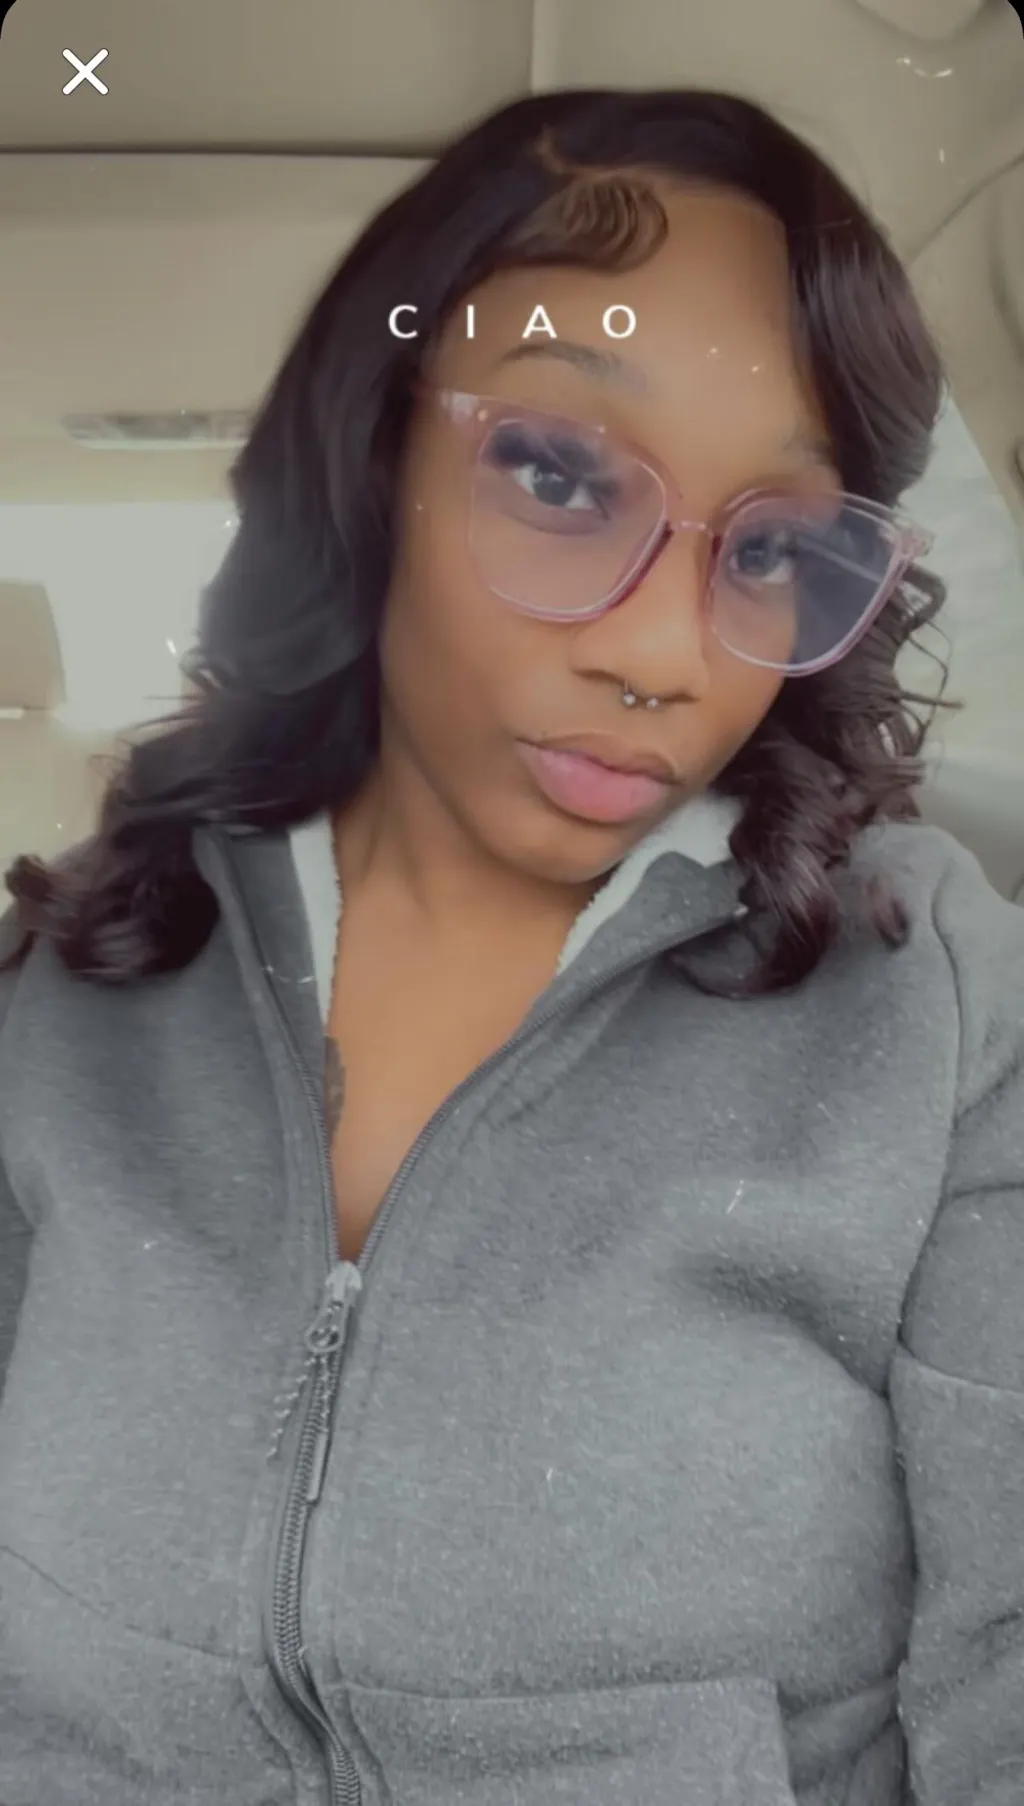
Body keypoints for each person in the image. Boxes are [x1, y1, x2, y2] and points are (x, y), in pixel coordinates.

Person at [1, 84, 1022, 1806]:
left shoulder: (937, 1004)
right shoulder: (63, 998)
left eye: (772, 547)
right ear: (370, 453)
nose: (665, 657)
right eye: (556, 473)